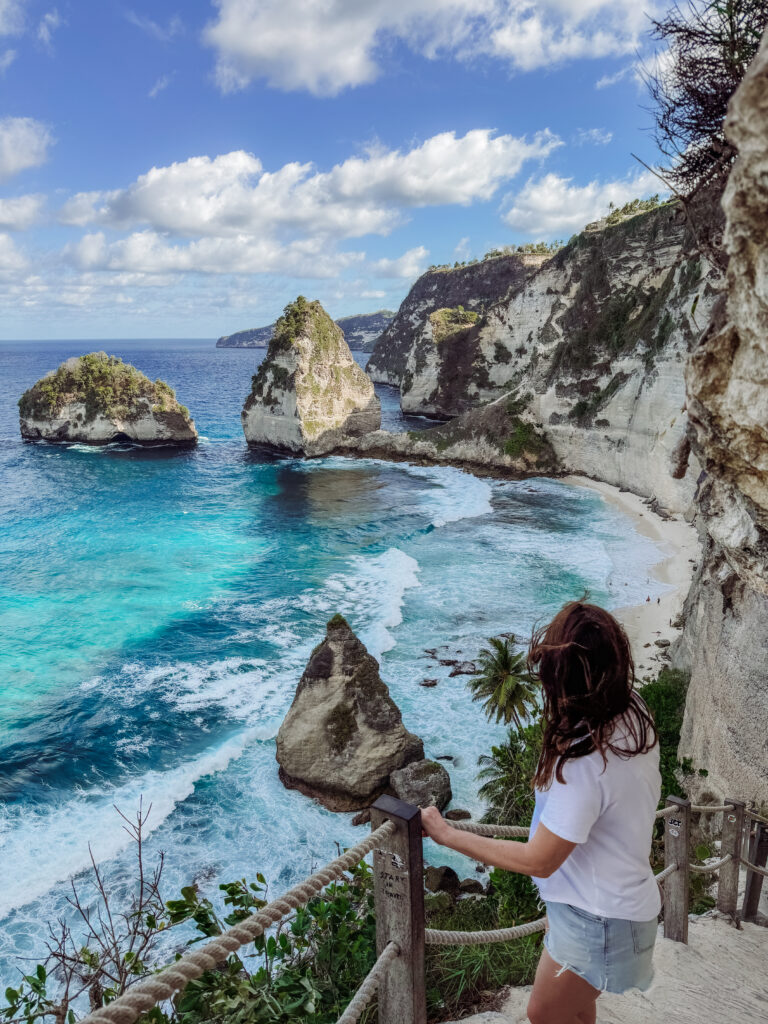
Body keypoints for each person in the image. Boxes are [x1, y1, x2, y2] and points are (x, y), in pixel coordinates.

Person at [421, 601, 661, 1024]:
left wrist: (448, 834)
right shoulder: (633, 713)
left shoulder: (587, 763)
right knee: (576, 1011)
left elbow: (540, 859)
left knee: (544, 1014)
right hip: (605, 907)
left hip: (600, 920)